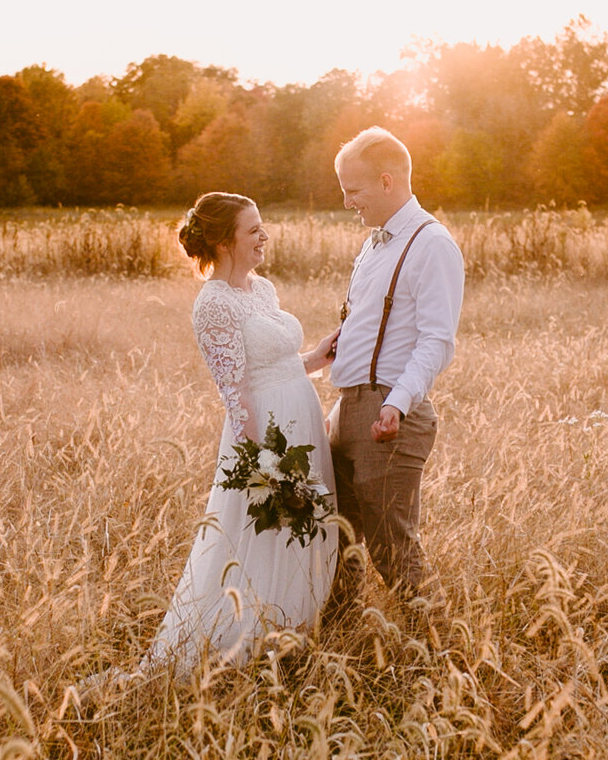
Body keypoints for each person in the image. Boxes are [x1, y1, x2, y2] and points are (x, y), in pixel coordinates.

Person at [142, 192, 338, 672]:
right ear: (225, 241)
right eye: (253, 230)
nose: (263, 236)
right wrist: (269, 469)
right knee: (266, 540)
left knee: (309, 537)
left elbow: (277, 363)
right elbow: (236, 395)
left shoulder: (262, 289)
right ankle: (249, 647)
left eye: (261, 226)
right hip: (265, 438)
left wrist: (317, 355)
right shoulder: (213, 305)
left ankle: (295, 634)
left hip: (302, 418)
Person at [304, 128, 465, 619]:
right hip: (348, 409)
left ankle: (441, 653)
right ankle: (344, 644)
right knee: (339, 541)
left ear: (388, 181)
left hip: (389, 415)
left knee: (392, 549)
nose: (347, 201)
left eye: (354, 190)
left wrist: (397, 402)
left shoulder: (431, 243)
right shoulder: (374, 246)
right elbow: (373, 322)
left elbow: (437, 339)